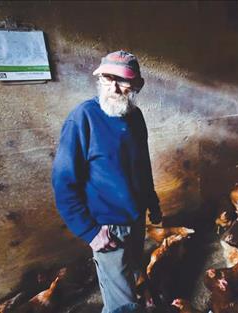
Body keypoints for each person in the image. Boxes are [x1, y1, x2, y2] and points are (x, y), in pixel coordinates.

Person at [51, 50, 162, 313]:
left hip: (135, 220)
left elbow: (142, 166)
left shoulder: (135, 116)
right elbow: (63, 181)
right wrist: (89, 231)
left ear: (137, 85)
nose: (112, 87)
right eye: (106, 78)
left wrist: (152, 202)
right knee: (122, 304)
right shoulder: (83, 118)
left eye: (122, 81)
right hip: (108, 229)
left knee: (133, 278)